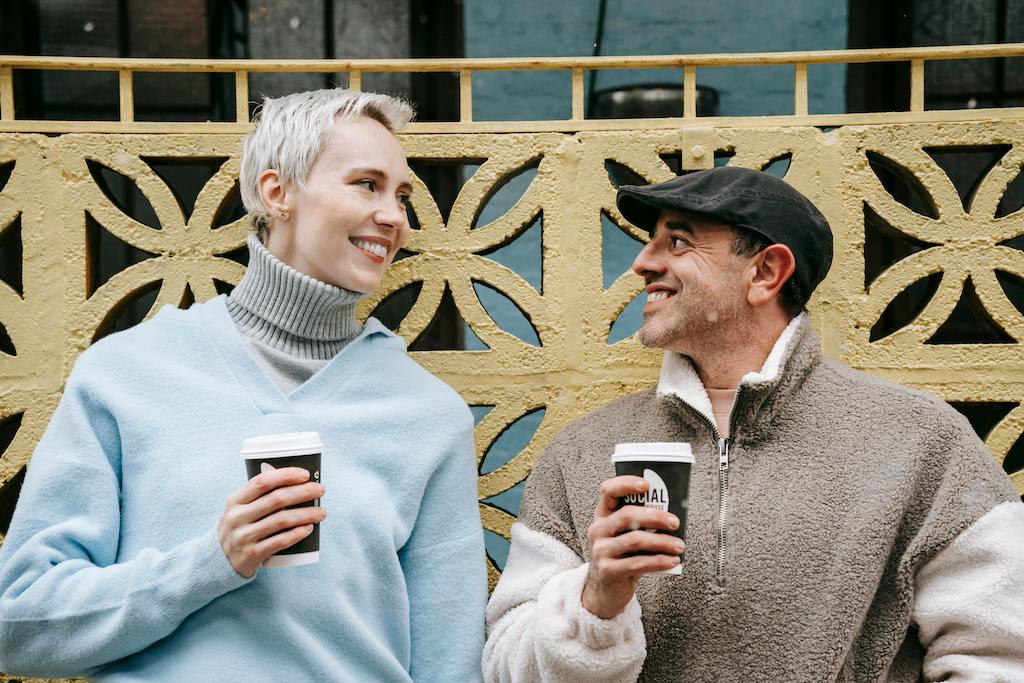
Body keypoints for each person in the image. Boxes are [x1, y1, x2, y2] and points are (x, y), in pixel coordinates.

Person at [0, 88, 487, 681]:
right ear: (277, 193)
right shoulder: (124, 375)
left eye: (401, 194)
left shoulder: (429, 415)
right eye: (366, 184)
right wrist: (210, 562)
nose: (394, 216)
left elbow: (449, 661)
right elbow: (17, 625)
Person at [483, 166, 1024, 682]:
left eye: (677, 242)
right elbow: (505, 664)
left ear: (766, 272)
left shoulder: (921, 441)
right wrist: (594, 603)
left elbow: (999, 650)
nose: (642, 264)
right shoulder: (581, 452)